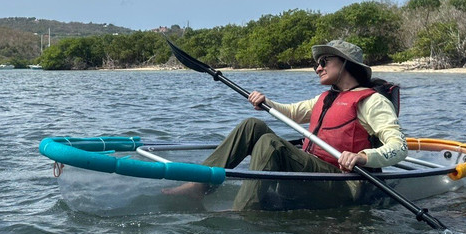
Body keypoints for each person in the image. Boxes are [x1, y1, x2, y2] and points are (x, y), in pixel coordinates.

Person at [165, 39, 408, 210]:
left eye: (324, 61)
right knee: (253, 125)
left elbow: (399, 148)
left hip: (344, 185)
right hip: (316, 175)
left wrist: (363, 157)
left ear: (345, 63)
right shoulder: (326, 98)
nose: (318, 68)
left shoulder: (373, 102)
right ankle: (199, 185)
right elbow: (290, 112)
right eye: (316, 64)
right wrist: (265, 102)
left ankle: (244, 213)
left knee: (271, 144)